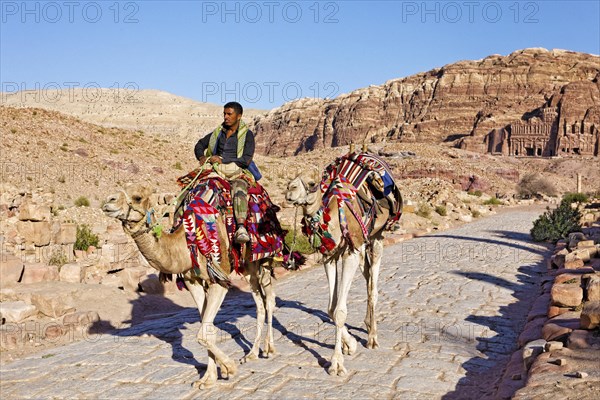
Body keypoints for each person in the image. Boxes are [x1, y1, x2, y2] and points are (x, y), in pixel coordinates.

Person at [194, 102, 258, 244]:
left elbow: (246, 159)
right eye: (224, 114)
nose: (226, 117)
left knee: (239, 188)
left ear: (239, 116)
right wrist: (202, 157)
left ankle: (241, 227)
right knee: (195, 188)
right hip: (216, 170)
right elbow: (199, 145)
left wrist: (223, 160)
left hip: (237, 171)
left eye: (229, 114)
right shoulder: (217, 133)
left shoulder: (247, 135)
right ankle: (183, 223)